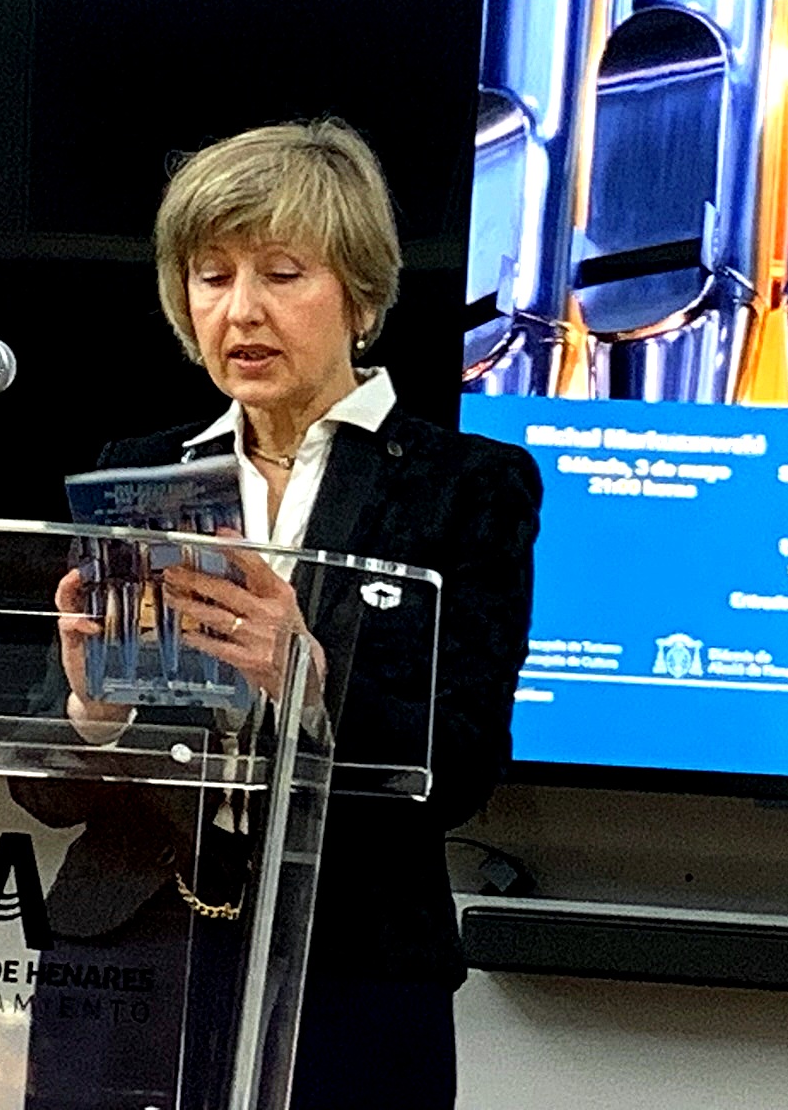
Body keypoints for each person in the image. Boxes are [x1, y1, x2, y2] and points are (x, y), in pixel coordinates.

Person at [27, 118, 540, 1110]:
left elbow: (464, 766)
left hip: (351, 969)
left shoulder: (464, 487)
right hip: (129, 962)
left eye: (281, 273)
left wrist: (305, 680)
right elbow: (42, 790)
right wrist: (94, 711)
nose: (241, 310)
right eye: (212, 277)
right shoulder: (139, 473)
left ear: (360, 293)